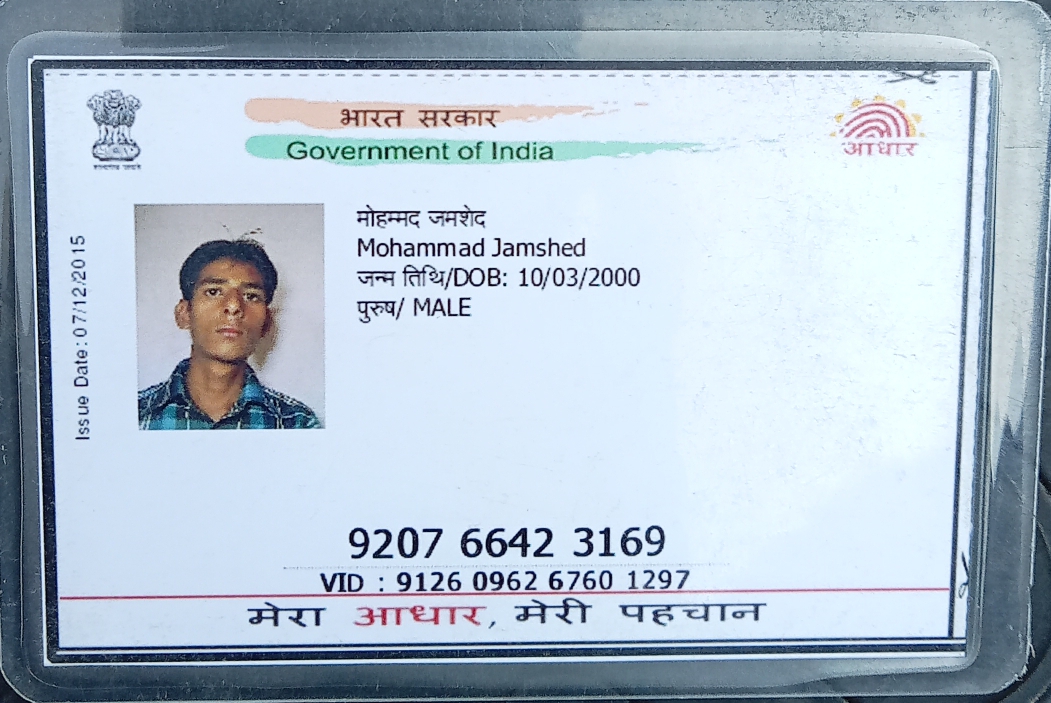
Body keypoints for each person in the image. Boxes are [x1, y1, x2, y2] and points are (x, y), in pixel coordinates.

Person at [139, 238, 320, 429]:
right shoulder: (134, 415)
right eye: (214, 292)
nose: (234, 306)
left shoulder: (297, 423)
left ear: (266, 323)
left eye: (251, 296)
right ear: (184, 314)